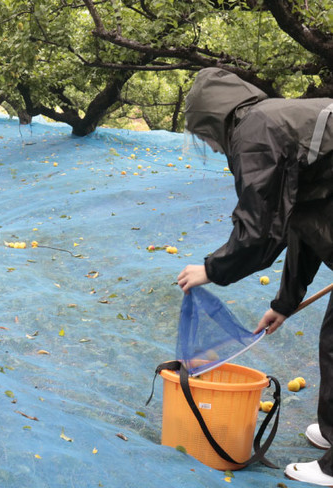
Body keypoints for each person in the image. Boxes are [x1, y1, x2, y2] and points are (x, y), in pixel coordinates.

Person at [177, 67, 333, 485]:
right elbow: (303, 221)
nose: (209, 146)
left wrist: (211, 269)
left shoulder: (256, 133)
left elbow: (261, 231)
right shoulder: (275, 118)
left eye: (205, 136)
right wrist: (284, 303)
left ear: (214, 118)